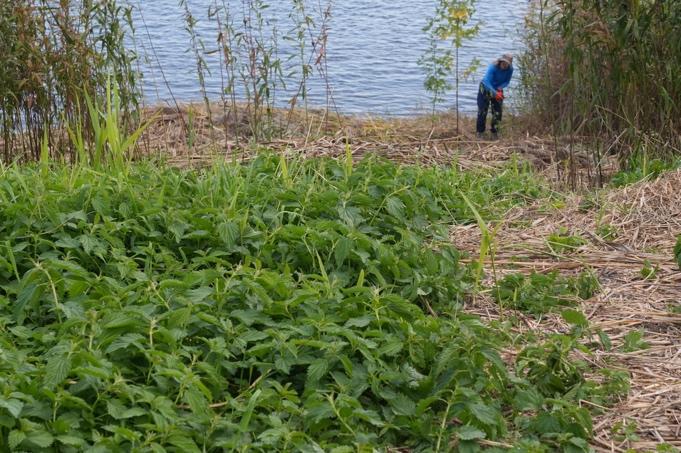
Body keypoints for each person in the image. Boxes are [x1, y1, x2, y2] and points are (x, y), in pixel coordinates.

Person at [476, 54, 513, 140]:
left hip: (497, 89)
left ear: (509, 64)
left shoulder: (510, 69)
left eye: (507, 64)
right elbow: (486, 82)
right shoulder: (493, 67)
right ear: (500, 61)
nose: (504, 65)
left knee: (498, 112)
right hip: (485, 89)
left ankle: (495, 132)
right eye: (503, 63)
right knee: (482, 111)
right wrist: (495, 93)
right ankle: (480, 132)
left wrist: (500, 89)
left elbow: (507, 81)